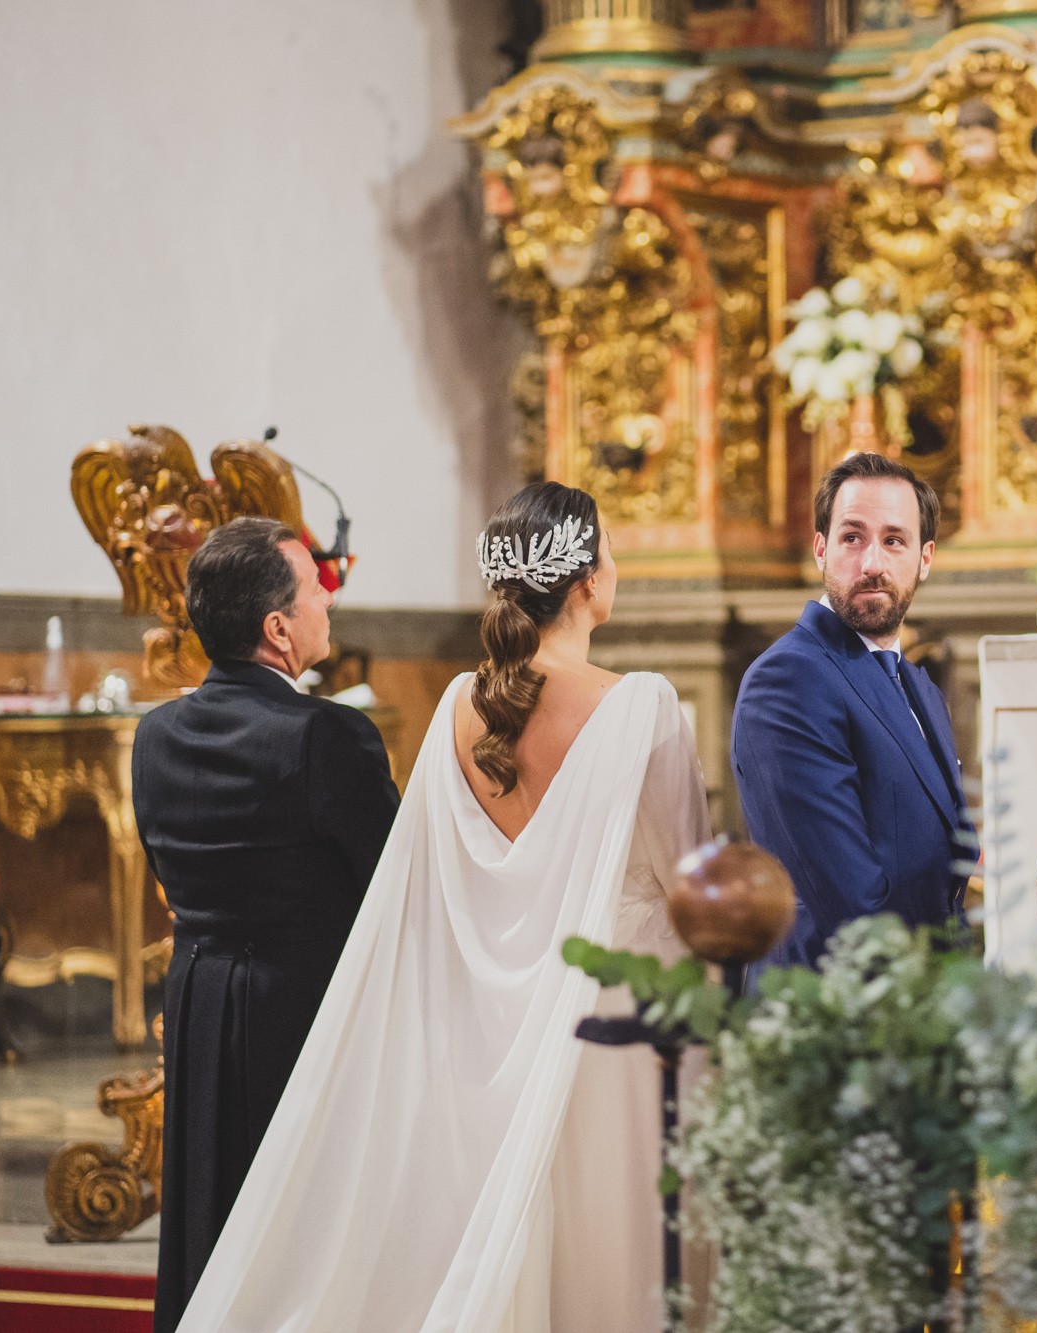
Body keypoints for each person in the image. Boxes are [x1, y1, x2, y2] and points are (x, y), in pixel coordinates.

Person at [175, 482, 711, 1331]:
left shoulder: (461, 703)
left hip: (481, 1021)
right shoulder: (640, 704)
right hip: (608, 1016)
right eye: (608, 548)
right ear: (585, 579)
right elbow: (690, 889)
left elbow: (425, 877)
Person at [132, 516, 399, 1333]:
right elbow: (394, 881)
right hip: (302, 1008)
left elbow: (169, 870)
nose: (329, 600)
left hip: (198, 998)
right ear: (278, 629)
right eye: (316, 587)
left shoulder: (154, 734)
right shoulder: (328, 734)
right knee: (300, 1233)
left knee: (211, 1209)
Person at [732, 453, 971, 975]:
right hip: (833, 1003)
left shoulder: (919, 687)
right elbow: (850, 900)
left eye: (894, 540)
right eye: (852, 537)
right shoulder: (789, 680)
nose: (872, 563)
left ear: (925, 558)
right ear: (821, 548)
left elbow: (943, 873)